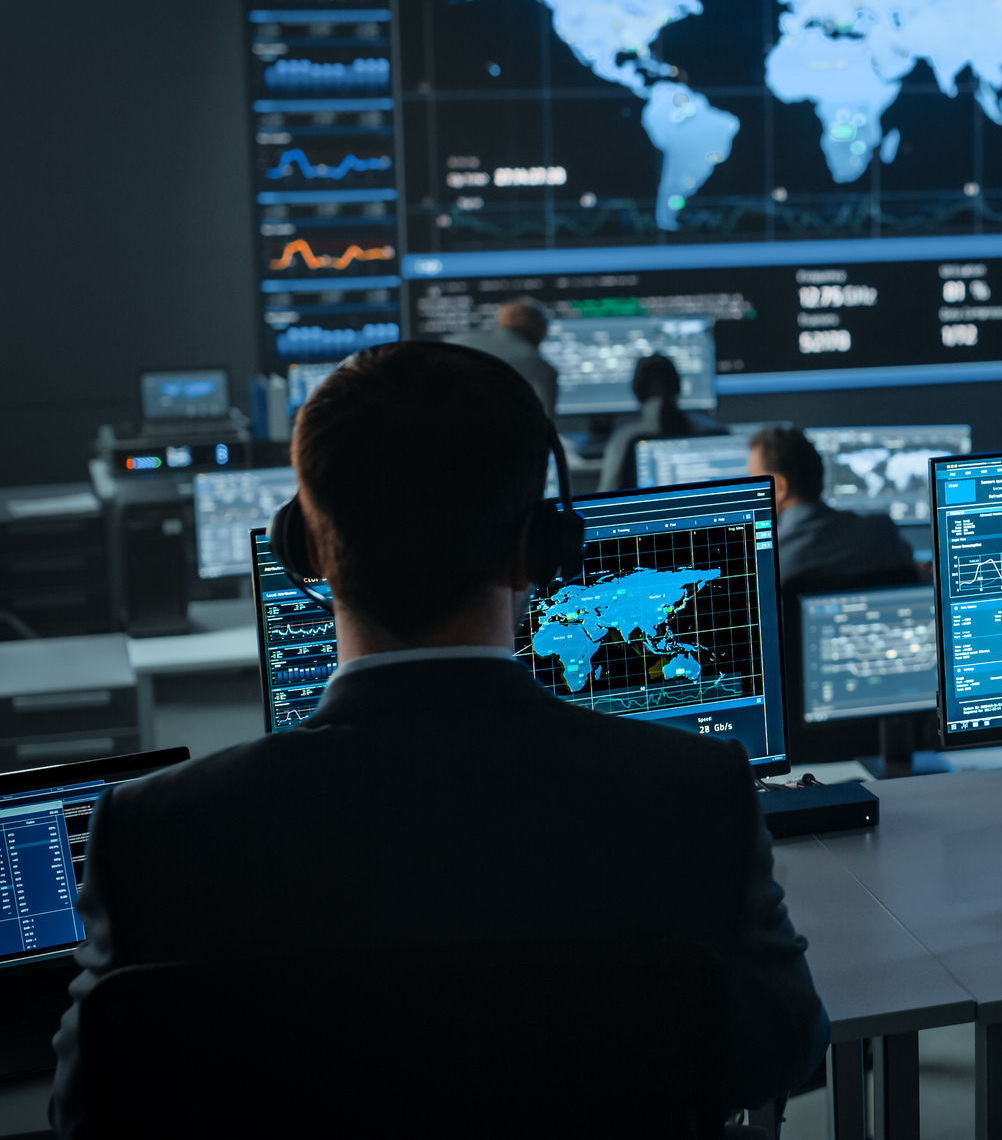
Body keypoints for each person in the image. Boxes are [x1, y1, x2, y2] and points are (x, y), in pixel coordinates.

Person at [48, 343, 828, 1136]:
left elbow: (87, 1115)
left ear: (304, 552)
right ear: (541, 551)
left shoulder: (152, 833)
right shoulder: (693, 796)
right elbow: (783, 1052)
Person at [747, 426, 917, 589]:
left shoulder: (766, 561)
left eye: (755, 482)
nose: (751, 492)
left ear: (780, 487)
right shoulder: (883, 534)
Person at [598, 353, 725, 492]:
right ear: (678, 387)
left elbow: (604, 495)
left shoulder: (623, 440)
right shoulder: (714, 433)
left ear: (636, 391)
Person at [444, 296, 560, 415]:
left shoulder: (454, 342)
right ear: (541, 330)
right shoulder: (541, 369)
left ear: (500, 319)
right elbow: (544, 426)